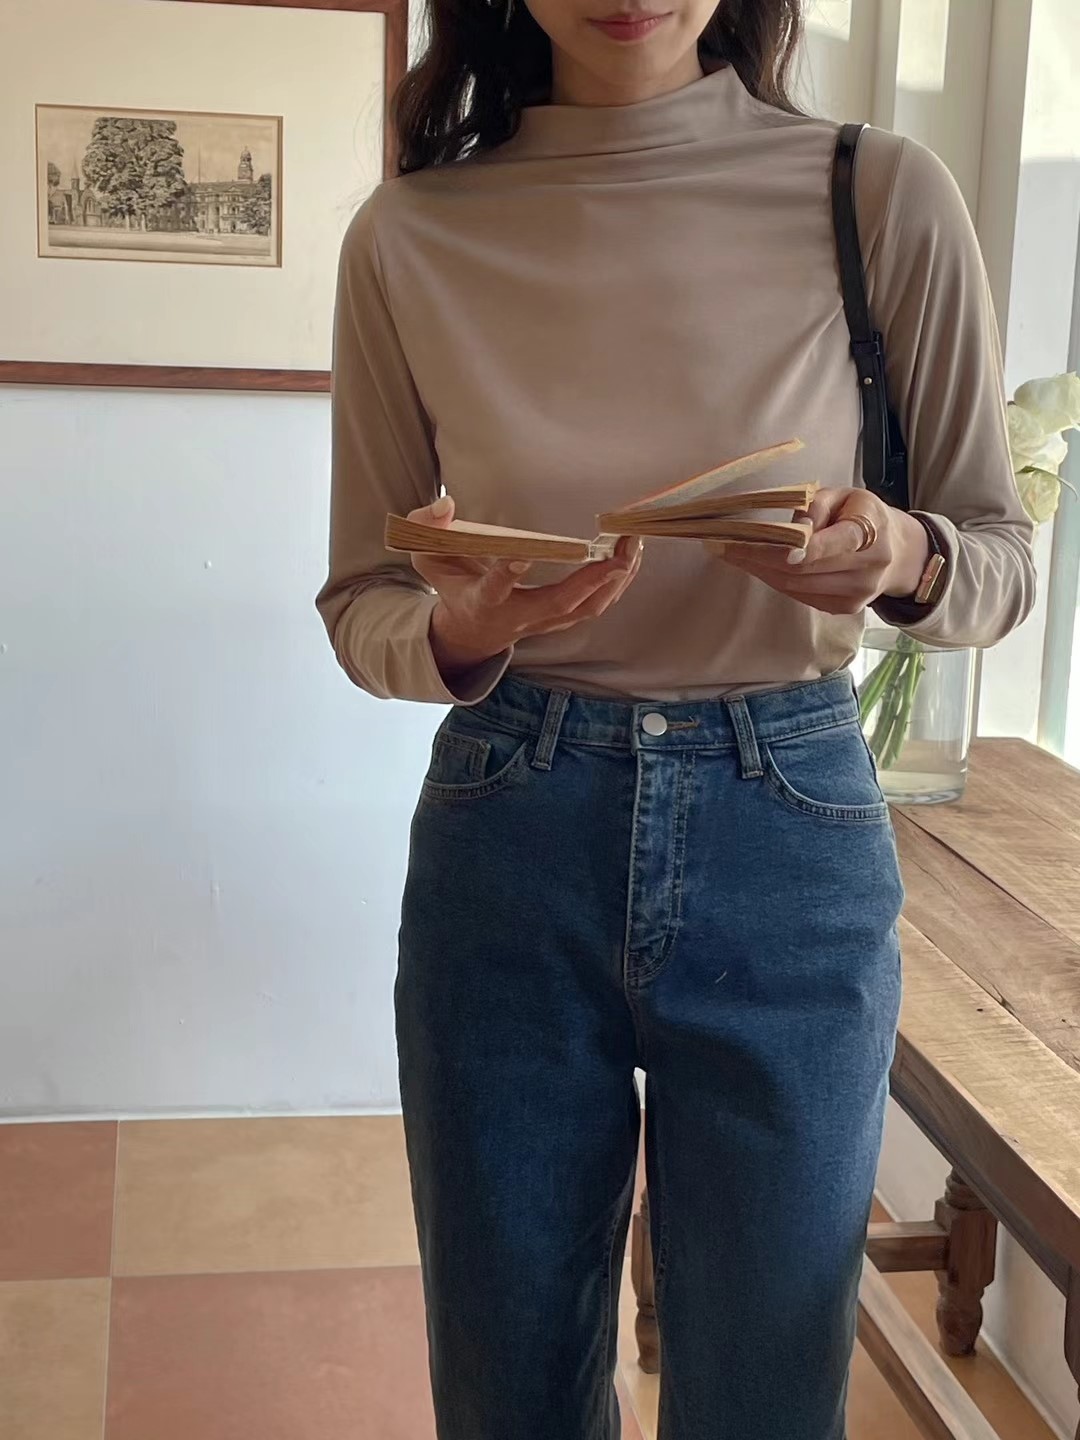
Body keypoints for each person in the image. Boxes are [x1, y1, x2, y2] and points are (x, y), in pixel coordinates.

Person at [316, 2, 1035, 1436]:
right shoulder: (410, 235)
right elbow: (362, 601)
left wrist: (896, 552)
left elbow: (1000, 563)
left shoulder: (877, 194)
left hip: (789, 821)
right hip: (513, 822)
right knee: (507, 1382)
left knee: (767, 1386)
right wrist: (463, 629)